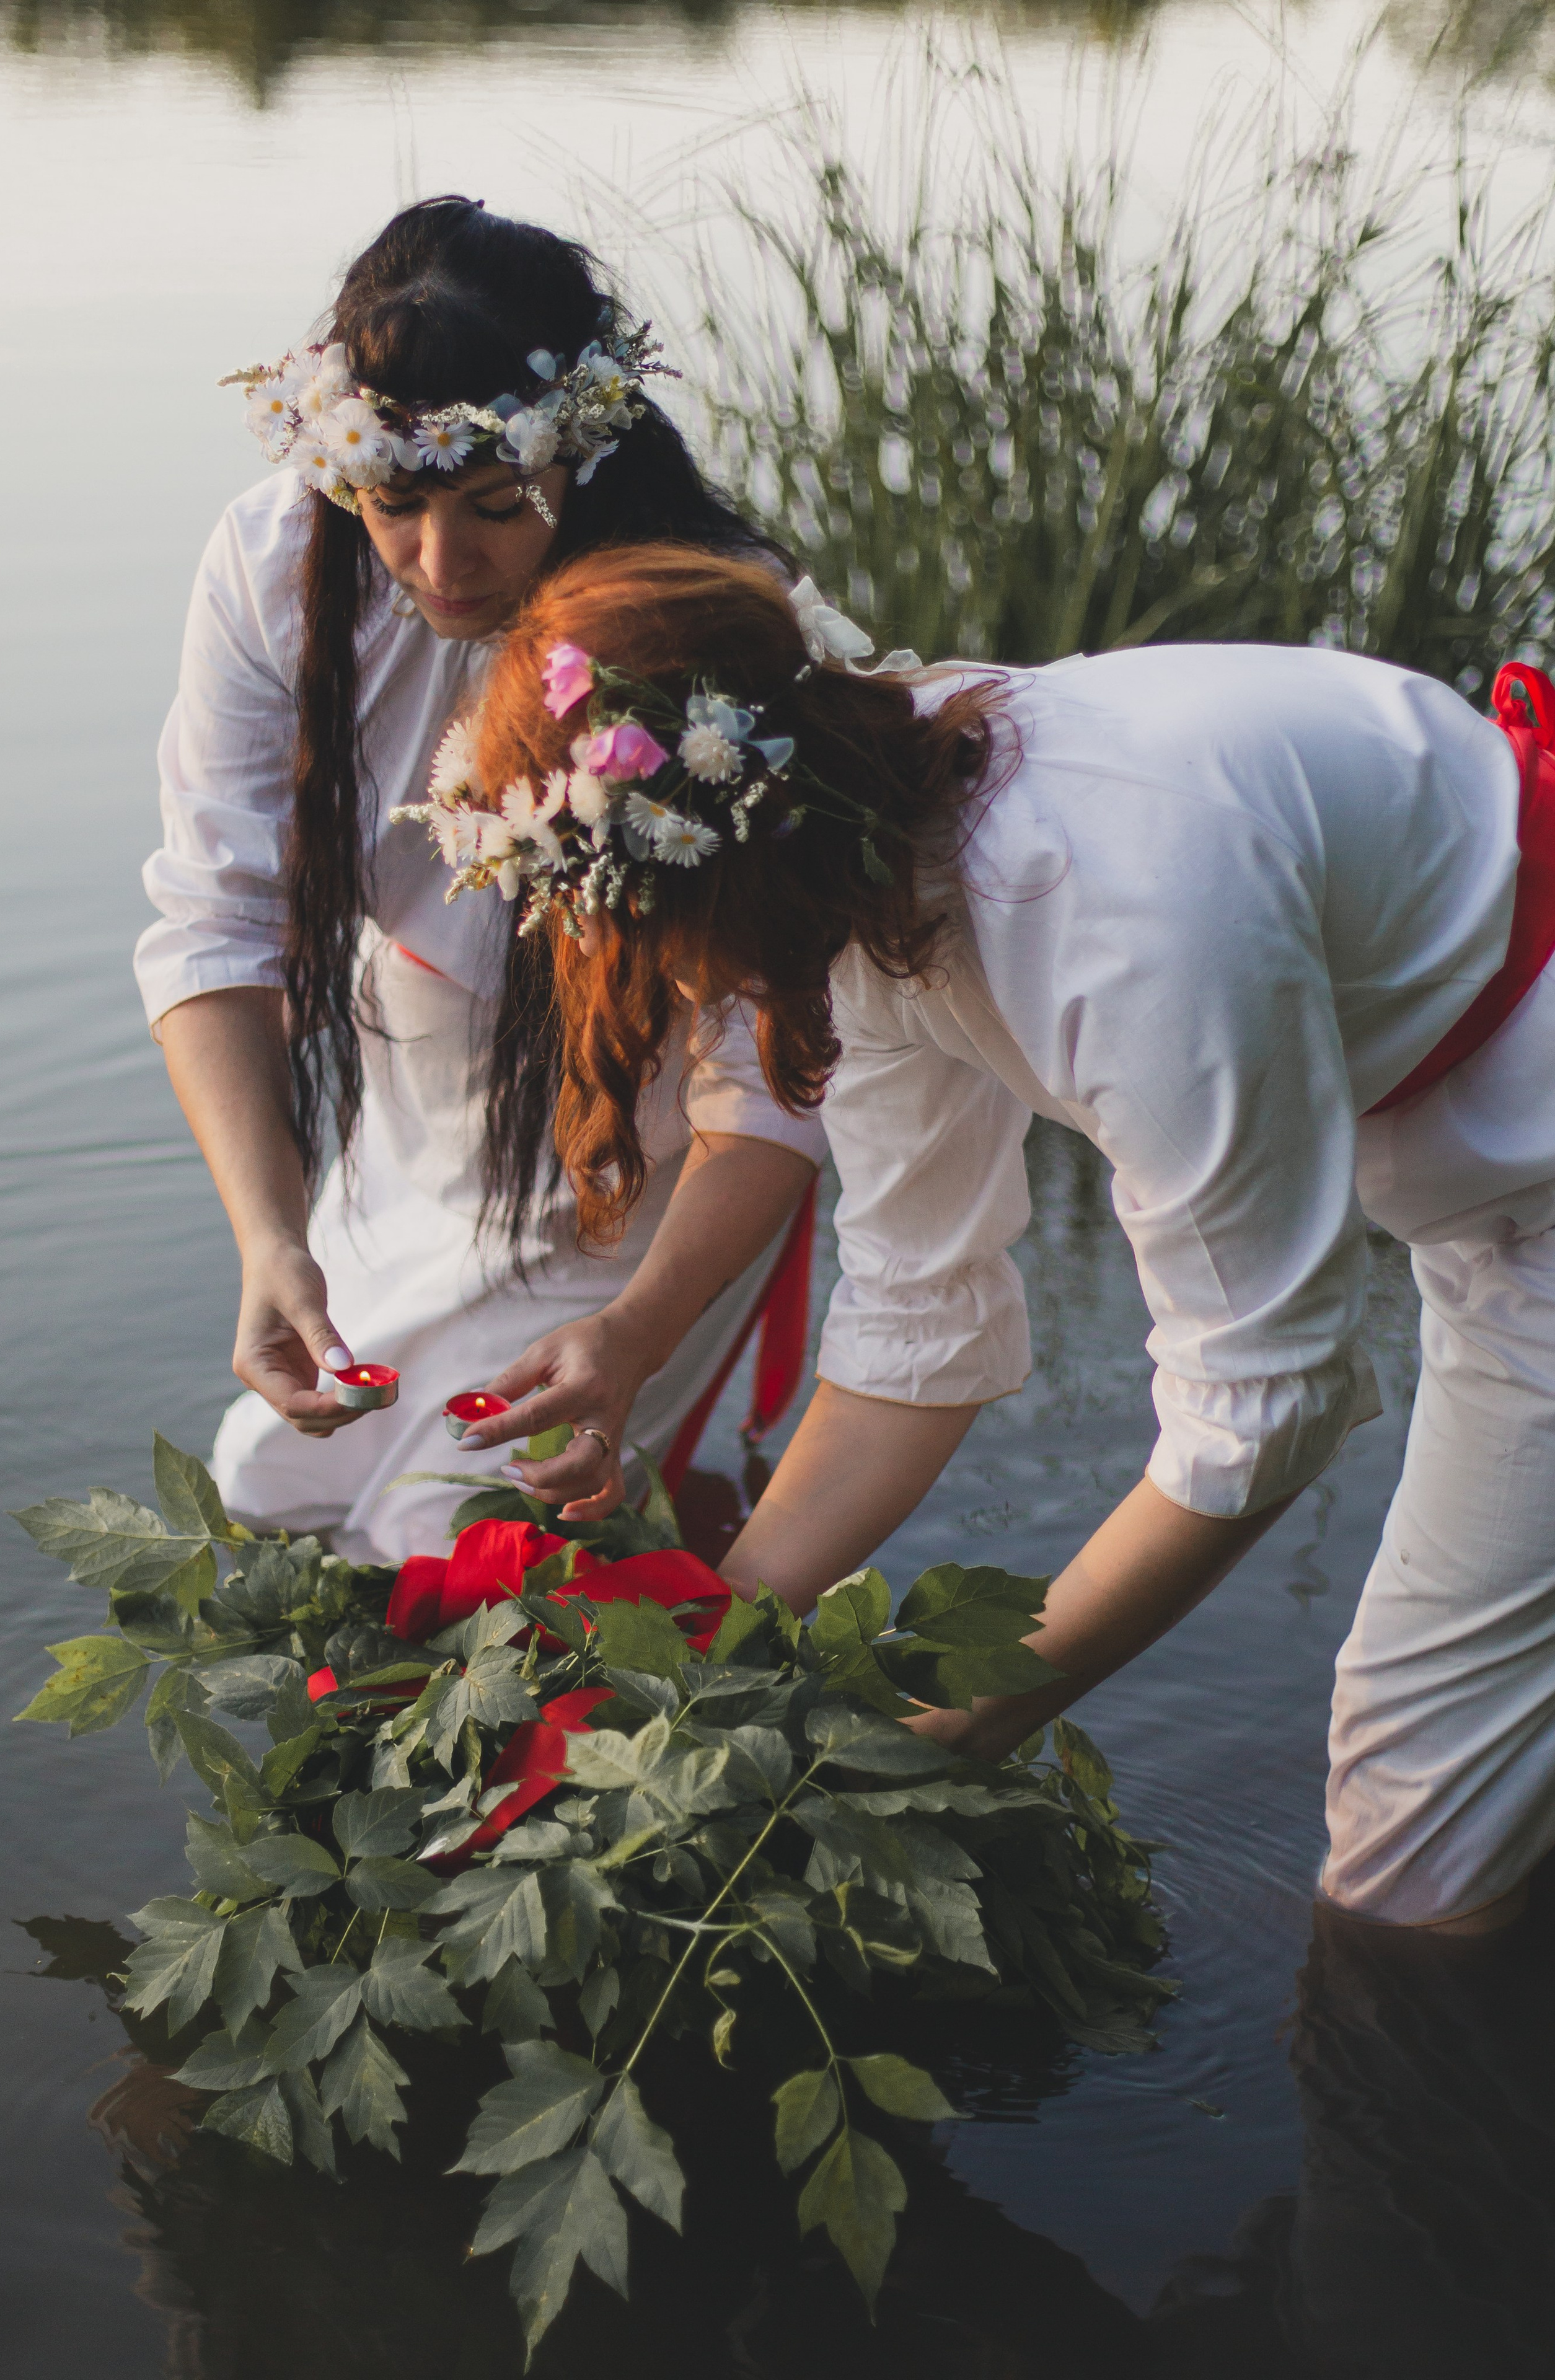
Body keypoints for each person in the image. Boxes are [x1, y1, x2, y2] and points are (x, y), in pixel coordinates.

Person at [420, 539, 1555, 1937]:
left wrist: (983, 1711)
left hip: (1536, 1180)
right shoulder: (866, 853)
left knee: (1411, 1845)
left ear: (711, 864)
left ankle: (1441, 2132)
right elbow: (912, 1317)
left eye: (636, 928)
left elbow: (1265, 1406)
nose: (650, 978)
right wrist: (702, 1651)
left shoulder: (1106, 909)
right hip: (1468, 1157)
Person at [135, 200, 824, 1562]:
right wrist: (272, 1235)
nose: (441, 568)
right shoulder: (279, 565)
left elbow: (770, 1056)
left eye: (496, 507)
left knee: (460, 1541)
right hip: (414, 1104)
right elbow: (218, 923)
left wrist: (636, 1332)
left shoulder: (701, 621)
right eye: (393, 504)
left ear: (580, 454)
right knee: (273, 1495)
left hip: (645, 1142)